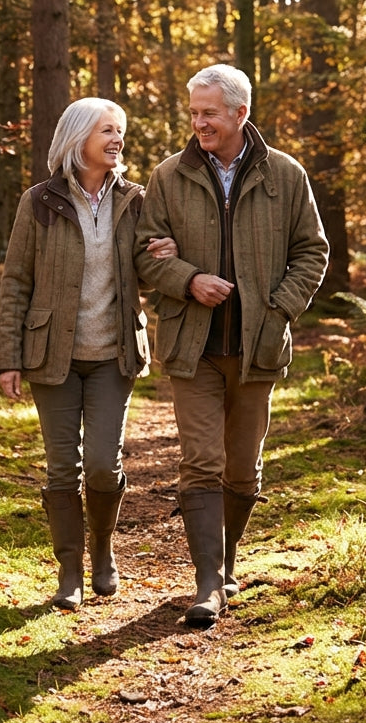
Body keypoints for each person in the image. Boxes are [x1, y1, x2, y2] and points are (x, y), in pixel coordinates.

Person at [134, 64, 329, 627]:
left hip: (256, 347)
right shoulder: (168, 176)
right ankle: (207, 585)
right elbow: (144, 253)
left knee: (242, 469)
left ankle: (226, 562)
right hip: (191, 345)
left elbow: (312, 251)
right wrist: (188, 279)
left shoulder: (285, 174)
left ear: (241, 113)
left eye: (210, 113)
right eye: (194, 113)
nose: (199, 123)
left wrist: (277, 308)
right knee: (201, 462)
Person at [0, 97, 174, 610]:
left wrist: (166, 253)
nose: (118, 139)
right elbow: (16, 281)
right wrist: (8, 356)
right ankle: (69, 569)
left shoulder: (136, 200)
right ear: (79, 138)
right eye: (107, 130)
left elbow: (148, 269)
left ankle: (103, 547)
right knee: (61, 468)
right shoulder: (39, 202)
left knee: (101, 465)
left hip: (114, 354)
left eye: (120, 131)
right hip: (51, 355)